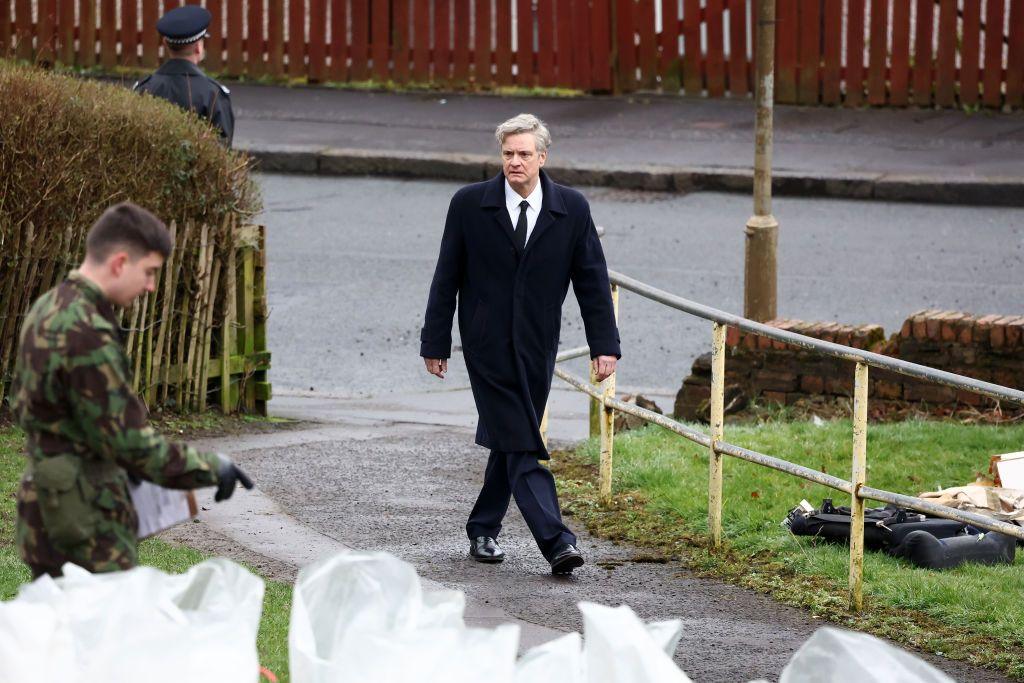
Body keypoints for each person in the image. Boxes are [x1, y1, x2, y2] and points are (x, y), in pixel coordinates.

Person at [420, 114, 620, 575]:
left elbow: (591, 280)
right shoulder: (470, 204)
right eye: (508, 153)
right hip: (485, 344)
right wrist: (437, 341)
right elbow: (446, 275)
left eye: (524, 154)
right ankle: (556, 541)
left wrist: (603, 345)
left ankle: (483, 527)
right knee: (523, 441)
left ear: (542, 157)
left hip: (537, 345)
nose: (515, 161)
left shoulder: (571, 207)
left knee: (512, 438)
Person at [10, 202, 253, 579]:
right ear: (120, 262)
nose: (152, 286)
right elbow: (127, 441)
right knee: (100, 633)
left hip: (46, 507)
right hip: (85, 521)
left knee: (58, 632)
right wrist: (210, 468)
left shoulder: (47, 307)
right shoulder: (85, 331)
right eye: (149, 272)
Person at [133, 5, 234, 145]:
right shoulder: (213, 94)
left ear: (165, 44)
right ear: (198, 48)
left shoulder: (144, 88)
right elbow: (223, 150)